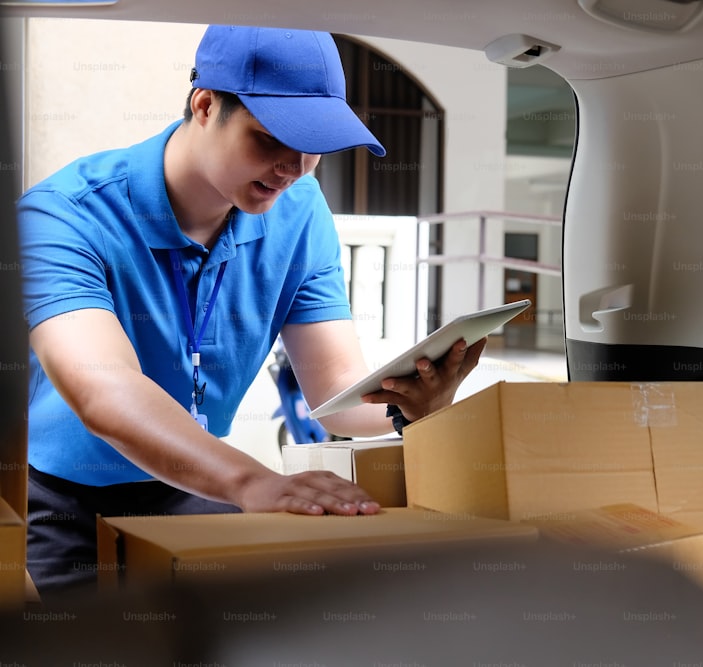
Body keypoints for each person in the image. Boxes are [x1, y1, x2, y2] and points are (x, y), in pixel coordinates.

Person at [17, 25, 486, 593]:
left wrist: (410, 406)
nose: (292, 168)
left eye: (314, 146)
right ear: (206, 105)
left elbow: (335, 392)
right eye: (270, 139)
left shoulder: (299, 210)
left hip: (199, 485)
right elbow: (104, 388)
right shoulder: (61, 216)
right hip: (66, 500)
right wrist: (249, 481)